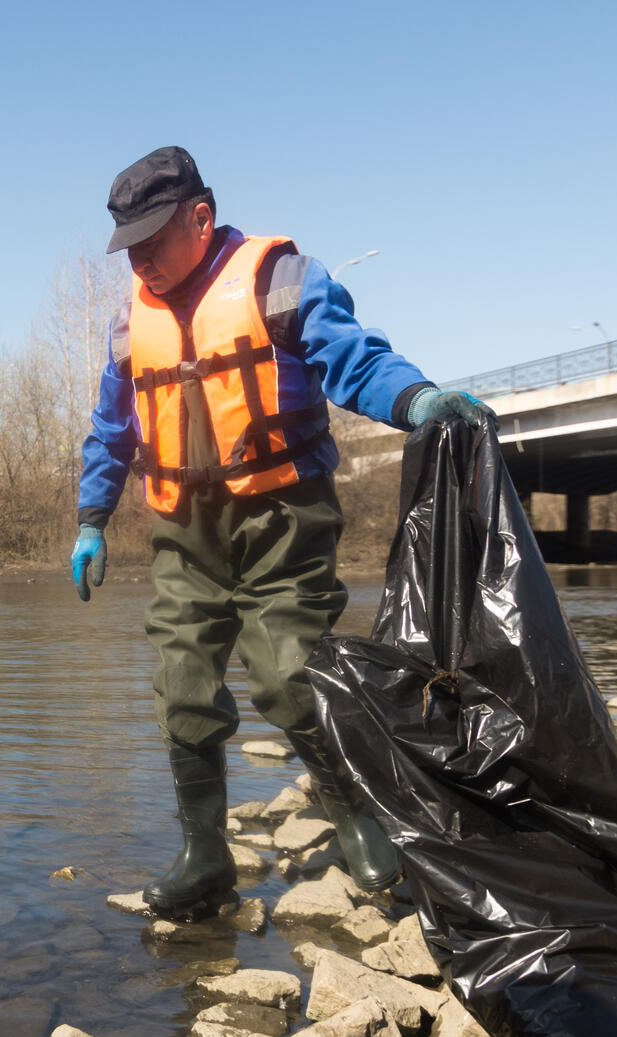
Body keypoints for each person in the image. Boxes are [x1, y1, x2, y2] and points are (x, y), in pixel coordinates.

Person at [71, 146, 490, 921]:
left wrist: (417, 398)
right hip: (185, 531)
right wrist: (91, 520)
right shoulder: (133, 318)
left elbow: (352, 360)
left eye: (153, 239)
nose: (142, 260)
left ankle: (357, 818)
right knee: (183, 688)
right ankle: (204, 857)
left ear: (200, 216)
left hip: (283, 517)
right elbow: (111, 430)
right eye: (129, 245)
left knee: (287, 675)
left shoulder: (281, 279)